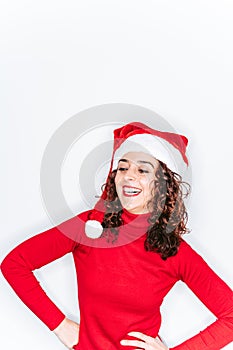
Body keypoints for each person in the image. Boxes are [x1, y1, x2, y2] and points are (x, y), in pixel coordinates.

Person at [1, 121, 233, 350]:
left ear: (161, 184)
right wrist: (60, 325)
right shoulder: (89, 228)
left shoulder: (174, 251)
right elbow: (15, 264)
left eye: (142, 169)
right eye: (123, 167)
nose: (128, 176)